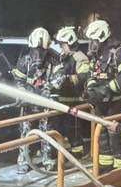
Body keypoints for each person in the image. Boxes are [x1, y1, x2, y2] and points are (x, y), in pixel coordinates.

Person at [85, 19, 121, 169]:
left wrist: (107, 89)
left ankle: (120, 170)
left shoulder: (119, 52)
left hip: (118, 102)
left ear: (102, 37)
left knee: (115, 136)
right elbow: (92, 75)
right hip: (101, 103)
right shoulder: (96, 55)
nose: (91, 44)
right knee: (102, 136)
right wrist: (91, 90)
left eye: (93, 40)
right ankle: (104, 169)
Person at [11, 27, 56, 172]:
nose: (38, 54)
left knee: (47, 132)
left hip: (45, 103)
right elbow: (18, 81)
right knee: (25, 132)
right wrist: (23, 93)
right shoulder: (24, 61)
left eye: (41, 50)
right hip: (28, 104)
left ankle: (47, 159)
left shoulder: (54, 60)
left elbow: (59, 78)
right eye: (35, 49)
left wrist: (48, 90)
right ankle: (23, 160)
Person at [48, 26, 90, 154]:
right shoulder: (63, 57)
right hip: (62, 99)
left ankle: (78, 152)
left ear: (70, 42)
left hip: (74, 99)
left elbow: (84, 76)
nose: (61, 47)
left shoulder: (79, 57)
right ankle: (60, 151)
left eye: (63, 44)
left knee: (73, 128)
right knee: (60, 127)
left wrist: (67, 79)